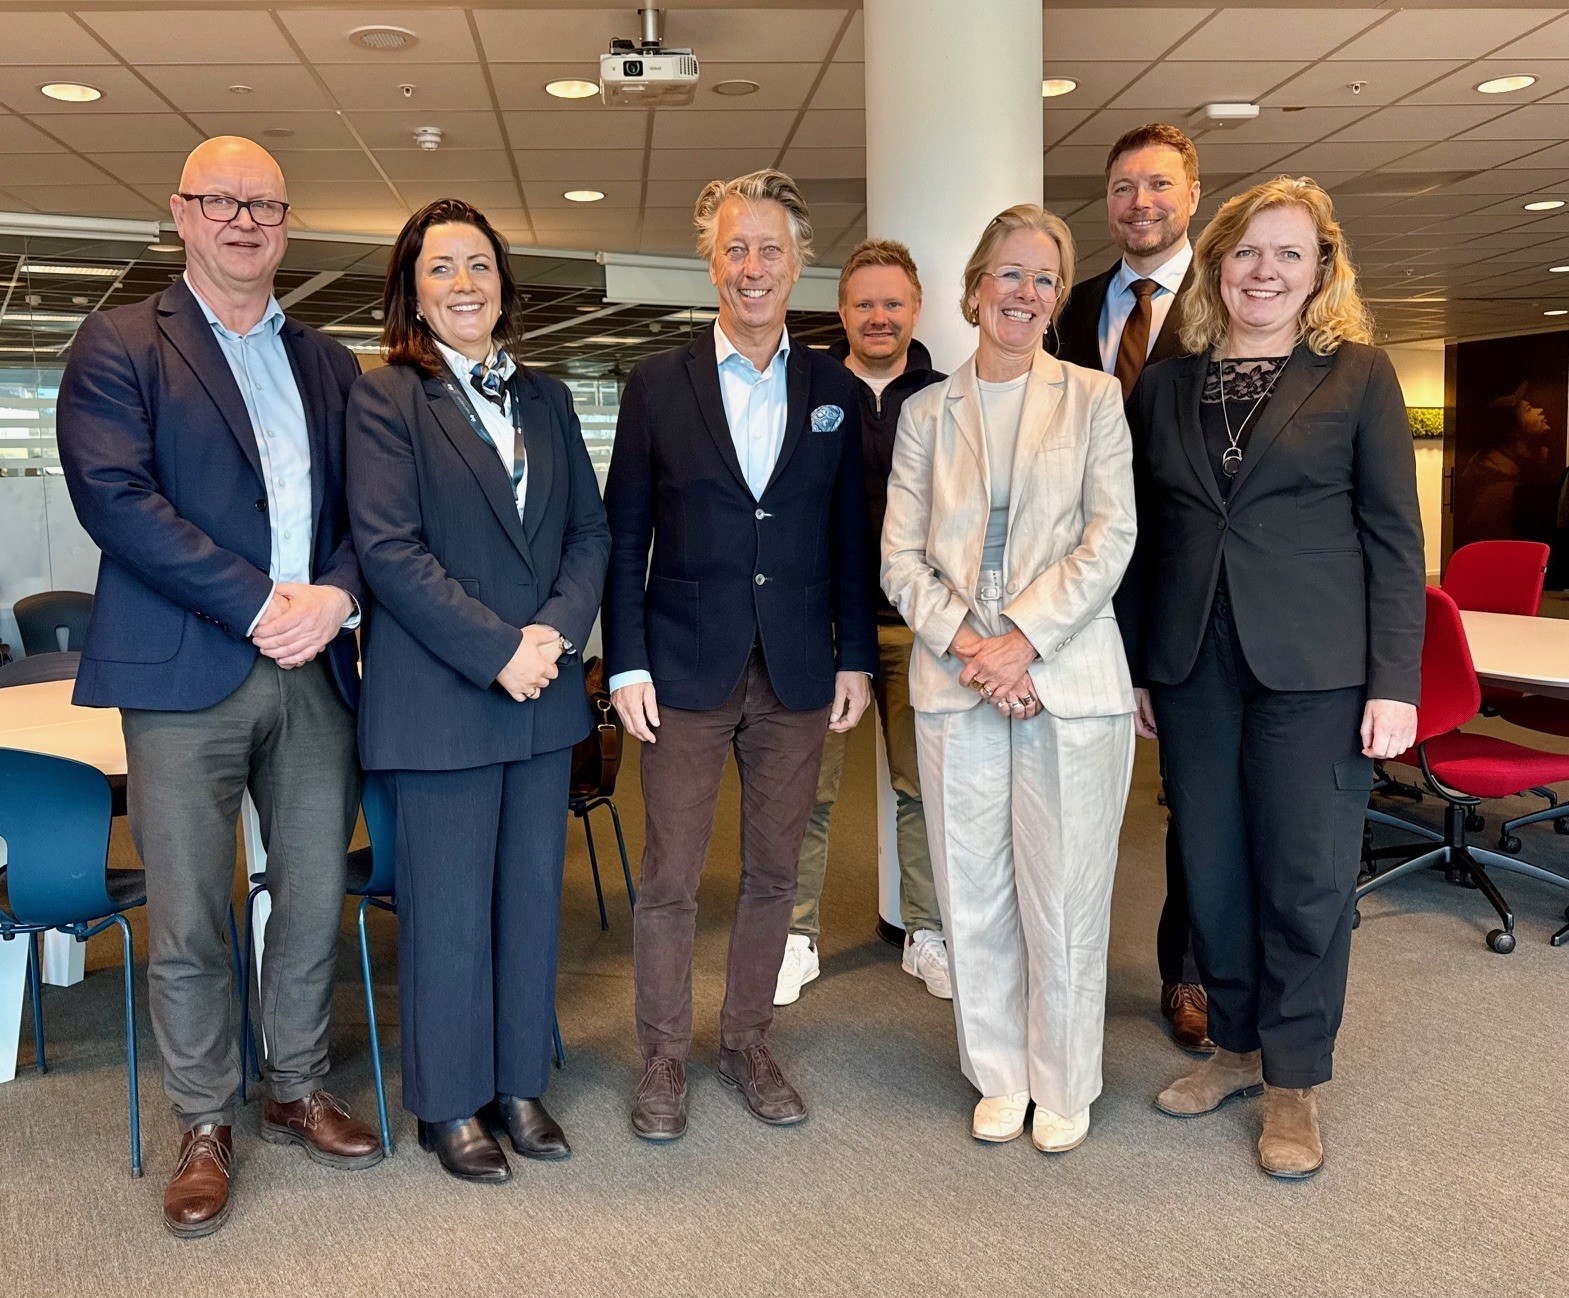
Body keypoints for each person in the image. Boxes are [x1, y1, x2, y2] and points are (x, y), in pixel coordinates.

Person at [57, 137, 380, 1238]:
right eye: (222, 201)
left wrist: (333, 597)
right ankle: (204, 1119)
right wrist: (258, 600)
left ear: (286, 224)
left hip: (314, 671)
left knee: (308, 892)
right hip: (187, 666)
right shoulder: (120, 343)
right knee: (192, 910)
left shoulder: (330, 365)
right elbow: (116, 497)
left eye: (265, 205)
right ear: (182, 214)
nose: (245, 220)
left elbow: (366, 521)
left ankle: (293, 1081)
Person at [1117, 176, 1424, 1179]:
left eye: (1289, 253)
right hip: (1193, 664)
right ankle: (1239, 1044)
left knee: (1305, 874)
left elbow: (1392, 536)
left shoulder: (1360, 375)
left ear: (1321, 271)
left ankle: (1294, 1078)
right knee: (1210, 868)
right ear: (1217, 263)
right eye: (1247, 250)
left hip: (1318, 669)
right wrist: (1137, 667)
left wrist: (1395, 680)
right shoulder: (1167, 384)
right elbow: (1145, 535)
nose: (1264, 270)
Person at [603, 169, 876, 1140]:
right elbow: (622, 531)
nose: (752, 267)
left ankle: (748, 1039)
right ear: (710, 262)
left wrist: (856, 659)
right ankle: (664, 1056)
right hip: (681, 667)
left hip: (800, 669)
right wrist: (625, 663)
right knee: (671, 875)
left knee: (774, 872)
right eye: (735, 248)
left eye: (770, 249)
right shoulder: (657, 385)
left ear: (799, 265)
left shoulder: (838, 392)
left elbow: (852, 536)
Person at [346, 199, 609, 1183]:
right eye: (442, 267)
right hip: (447, 695)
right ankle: (448, 1103)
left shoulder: (543, 397)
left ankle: (515, 1081)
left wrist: (556, 634)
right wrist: (499, 648)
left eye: (480, 265)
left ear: (505, 283)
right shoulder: (385, 401)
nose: (465, 283)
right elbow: (389, 549)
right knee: (449, 913)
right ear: (412, 289)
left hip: (539, 695)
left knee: (530, 902)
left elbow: (590, 530)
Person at [882, 204, 1137, 1154]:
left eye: (1043, 279)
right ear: (975, 287)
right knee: (972, 887)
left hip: (1067, 675)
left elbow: (1109, 537)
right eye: (1008, 274)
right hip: (958, 680)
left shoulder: (1094, 400)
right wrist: (975, 651)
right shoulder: (923, 413)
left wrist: (1022, 641)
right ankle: (997, 1074)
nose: (1023, 294)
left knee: (1064, 889)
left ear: (1055, 297)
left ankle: (1064, 1081)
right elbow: (900, 557)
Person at [1051, 122, 1211, 1054]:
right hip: (1084, 581)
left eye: (1157, 186)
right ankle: (1060, 963)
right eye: (1120, 188)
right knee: (1067, 781)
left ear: (1192, 194)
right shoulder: (1072, 309)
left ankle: (1187, 971)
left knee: (1192, 791)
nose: (1138, 204)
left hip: (1194, 576)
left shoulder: (1229, 294)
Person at [774, 239, 949, 1007]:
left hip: (920, 625)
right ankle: (792, 935)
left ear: (915, 310)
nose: (878, 317)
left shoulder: (950, 397)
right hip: (821, 630)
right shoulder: (802, 390)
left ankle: (929, 933)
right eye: (863, 303)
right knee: (804, 791)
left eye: (892, 303)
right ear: (841, 311)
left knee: (925, 788)